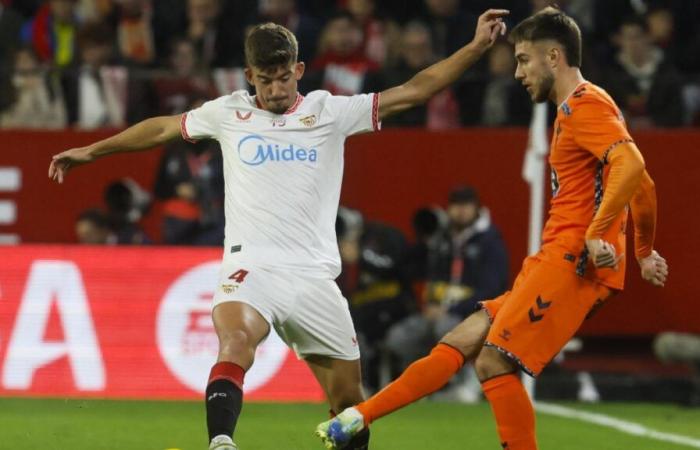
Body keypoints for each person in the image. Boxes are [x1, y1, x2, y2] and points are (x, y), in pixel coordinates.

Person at [49, 10, 509, 450]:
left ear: (300, 69)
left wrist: (472, 47)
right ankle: (222, 441)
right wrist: (92, 151)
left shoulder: (331, 111)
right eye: (265, 79)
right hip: (253, 269)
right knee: (236, 340)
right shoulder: (227, 113)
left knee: (349, 404)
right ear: (249, 76)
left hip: (314, 279)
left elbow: (415, 90)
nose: (274, 89)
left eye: (283, 77)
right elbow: (163, 128)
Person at [316, 7, 669, 450]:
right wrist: (642, 252)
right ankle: (358, 417)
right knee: (462, 338)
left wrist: (600, 233)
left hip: (571, 262)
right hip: (553, 259)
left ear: (554, 57)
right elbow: (644, 183)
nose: (518, 71)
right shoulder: (583, 106)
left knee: (493, 364)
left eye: (524, 59)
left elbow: (632, 165)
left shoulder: (584, 104)